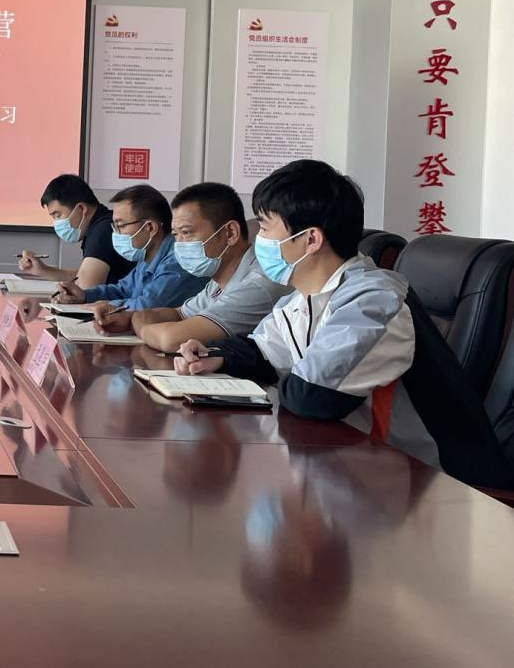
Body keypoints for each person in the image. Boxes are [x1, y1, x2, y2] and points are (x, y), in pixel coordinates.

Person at [175, 160, 514, 486]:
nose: (258, 240)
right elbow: (264, 351)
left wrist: (277, 375)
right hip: (351, 468)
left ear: (310, 239)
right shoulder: (304, 297)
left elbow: (314, 396)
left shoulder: (375, 302)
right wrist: (216, 355)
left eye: (265, 228)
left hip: (426, 483)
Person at [132, 182, 289, 351]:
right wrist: (139, 319)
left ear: (230, 233)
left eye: (187, 232)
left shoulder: (257, 284)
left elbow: (171, 339)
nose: (179, 244)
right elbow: (179, 314)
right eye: (176, 235)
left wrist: (140, 327)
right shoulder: (220, 278)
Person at [54, 184, 206, 330]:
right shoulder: (147, 256)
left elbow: (148, 307)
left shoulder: (178, 261)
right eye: (114, 227)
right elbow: (122, 290)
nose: (115, 233)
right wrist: (84, 295)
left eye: (120, 226)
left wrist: (108, 306)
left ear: (149, 228)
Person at [18, 174, 134, 290]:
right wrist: (44, 270)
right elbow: (84, 277)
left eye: (58, 215)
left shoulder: (102, 231)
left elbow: (85, 287)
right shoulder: (99, 225)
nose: (57, 223)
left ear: (81, 209)